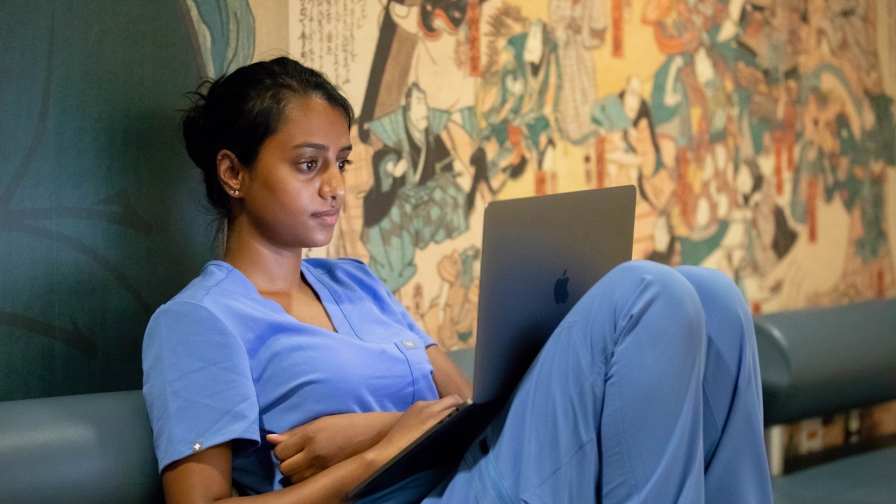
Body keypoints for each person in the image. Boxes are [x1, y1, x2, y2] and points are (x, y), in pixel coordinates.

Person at [142, 57, 773, 503]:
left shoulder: (356, 284)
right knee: (646, 292)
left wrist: (375, 428)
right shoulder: (199, 321)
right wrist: (375, 455)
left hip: (475, 473)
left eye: (341, 162)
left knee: (714, 298)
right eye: (309, 165)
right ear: (233, 173)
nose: (335, 187)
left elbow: (469, 410)